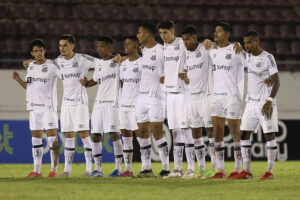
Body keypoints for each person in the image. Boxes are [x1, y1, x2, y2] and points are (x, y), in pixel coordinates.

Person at [13, 39, 59, 178]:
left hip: (48, 108)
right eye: (36, 51)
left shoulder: (53, 65)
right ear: (32, 53)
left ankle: (53, 171)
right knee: (36, 141)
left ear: (44, 51)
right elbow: (29, 86)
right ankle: (37, 171)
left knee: (53, 141)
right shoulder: (31, 66)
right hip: (33, 108)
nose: (39, 53)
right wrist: (19, 79)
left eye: (41, 50)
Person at [237, 31, 280, 180]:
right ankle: (247, 171)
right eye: (245, 43)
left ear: (257, 42)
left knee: (269, 135)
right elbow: (235, 50)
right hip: (250, 103)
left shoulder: (268, 58)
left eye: (250, 42)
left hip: (265, 103)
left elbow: (277, 81)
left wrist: (269, 101)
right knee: (244, 134)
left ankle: (269, 172)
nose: (247, 45)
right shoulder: (247, 56)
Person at [80, 36, 123, 177]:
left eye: (103, 46)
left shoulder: (117, 62)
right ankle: (98, 169)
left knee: (114, 134)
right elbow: (96, 80)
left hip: (112, 103)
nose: (99, 49)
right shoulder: (98, 64)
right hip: (99, 104)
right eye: (98, 47)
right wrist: (86, 83)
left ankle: (118, 169)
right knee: (96, 135)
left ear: (110, 47)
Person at [180, 26, 217, 178]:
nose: (185, 42)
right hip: (191, 97)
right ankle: (201, 168)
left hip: (205, 96)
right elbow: (185, 73)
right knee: (195, 132)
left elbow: (219, 50)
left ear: (195, 38)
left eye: (187, 39)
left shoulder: (205, 48)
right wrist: (186, 79)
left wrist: (212, 44)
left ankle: (215, 166)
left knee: (210, 131)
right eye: (183, 40)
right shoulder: (185, 55)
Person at [209, 22, 244, 179]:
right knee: (217, 132)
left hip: (232, 96)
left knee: (235, 132)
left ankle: (237, 168)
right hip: (217, 97)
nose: (215, 34)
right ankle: (220, 170)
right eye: (215, 31)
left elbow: (249, 63)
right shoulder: (212, 51)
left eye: (219, 31)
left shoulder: (236, 49)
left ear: (228, 34)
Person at [55, 34, 94, 177]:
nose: (62, 48)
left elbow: (102, 64)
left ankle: (89, 169)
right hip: (66, 103)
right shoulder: (58, 61)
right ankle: (67, 170)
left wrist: (91, 81)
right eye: (60, 45)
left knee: (84, 135)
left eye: (65, 45)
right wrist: (30, 61)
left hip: (80, 102)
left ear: (72, 46)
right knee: (68, 135)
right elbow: (44, 64)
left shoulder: (82, 59)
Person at [134, 22, 170, 177]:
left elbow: (165, 77)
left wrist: (161, 94)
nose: (137, 36)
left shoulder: (161, 51)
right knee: (141, 131)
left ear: (147, 35)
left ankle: (166, 167)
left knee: (157, 132)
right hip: (141, 97)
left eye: (139, 33)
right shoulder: (143, 51)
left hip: (156, 97)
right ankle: (146, 167)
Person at [118, 36, 142, 177]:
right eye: (125, 44)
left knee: (141, 136)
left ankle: (146, 167)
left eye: (129, 44)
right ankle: (128, 169)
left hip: (137, 105)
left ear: (136, 45)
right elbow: (122, 84)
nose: (126, 46)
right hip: (124, 105)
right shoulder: (123, 64)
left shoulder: (142, 63)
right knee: (126, 137)